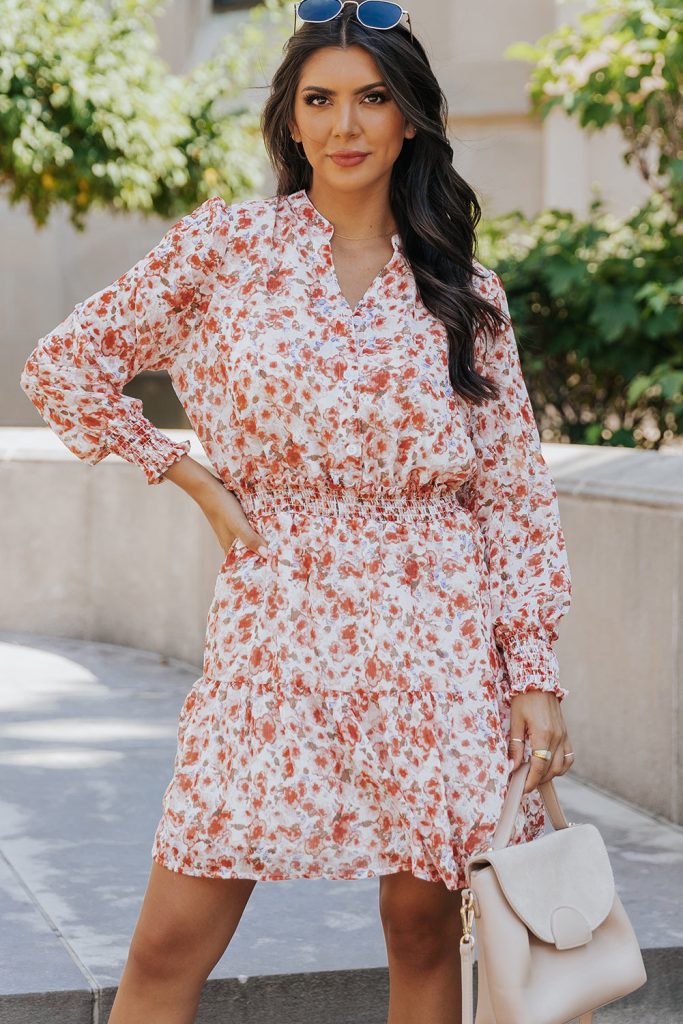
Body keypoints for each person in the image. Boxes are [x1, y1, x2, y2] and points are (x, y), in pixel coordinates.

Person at [19, 3, 575, 1022]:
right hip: (277, 625)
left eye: (371, 98)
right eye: (318, 100)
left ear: (408, 119)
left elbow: (508, 494)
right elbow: (64, 366)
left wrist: (531, 672)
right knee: (169, 935)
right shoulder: (226, 249)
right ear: (289, 119)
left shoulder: (461, 289)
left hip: (435, 635)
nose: (343, 125)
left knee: (421, 927)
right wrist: (185, 474)